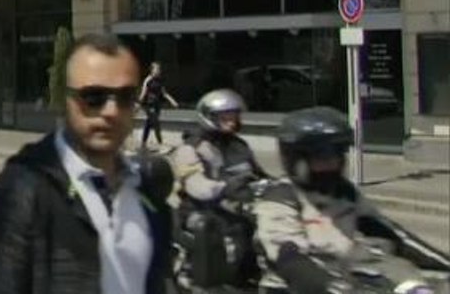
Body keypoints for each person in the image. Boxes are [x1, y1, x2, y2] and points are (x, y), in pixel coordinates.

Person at [0, 33, 173, 294]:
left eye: (124, 97)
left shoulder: (147, 194)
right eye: (94, 97)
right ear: (66, 100)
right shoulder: (20, 191)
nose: (110, 111)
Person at [253, 107, 450, 294]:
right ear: (295, 160)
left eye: (336, 155)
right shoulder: (280, 198)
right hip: (292, 287)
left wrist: (444, 262)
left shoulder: (344, 192)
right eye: (321, 157)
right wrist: (333, 288)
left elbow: (392, 235)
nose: (331, 163)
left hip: (345, 279)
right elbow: (290, 259)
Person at [171, 88, 268, 287]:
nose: (231, 121)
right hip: (203, 212)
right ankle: (193, 276)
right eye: (225, 117)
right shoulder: (191, 148)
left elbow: (259, 175)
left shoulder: (240, 146)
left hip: (237, 209)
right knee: (213, 233)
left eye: (234, 116)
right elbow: (197, 187)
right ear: (209, 117)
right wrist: (226, 187)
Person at [137, 61, 178, 149]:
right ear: (152, 70)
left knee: (149, 124)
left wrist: (172, 101)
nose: (158, 71)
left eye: (159, 69)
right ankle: (160, 144)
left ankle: (143, 143)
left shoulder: (160, 80)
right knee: (156, 123)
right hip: (149, 105)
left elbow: (164, 93)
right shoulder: (148, 80)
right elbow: (143, 93)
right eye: (156, 69)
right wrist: (138, 104)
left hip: (157, 105)